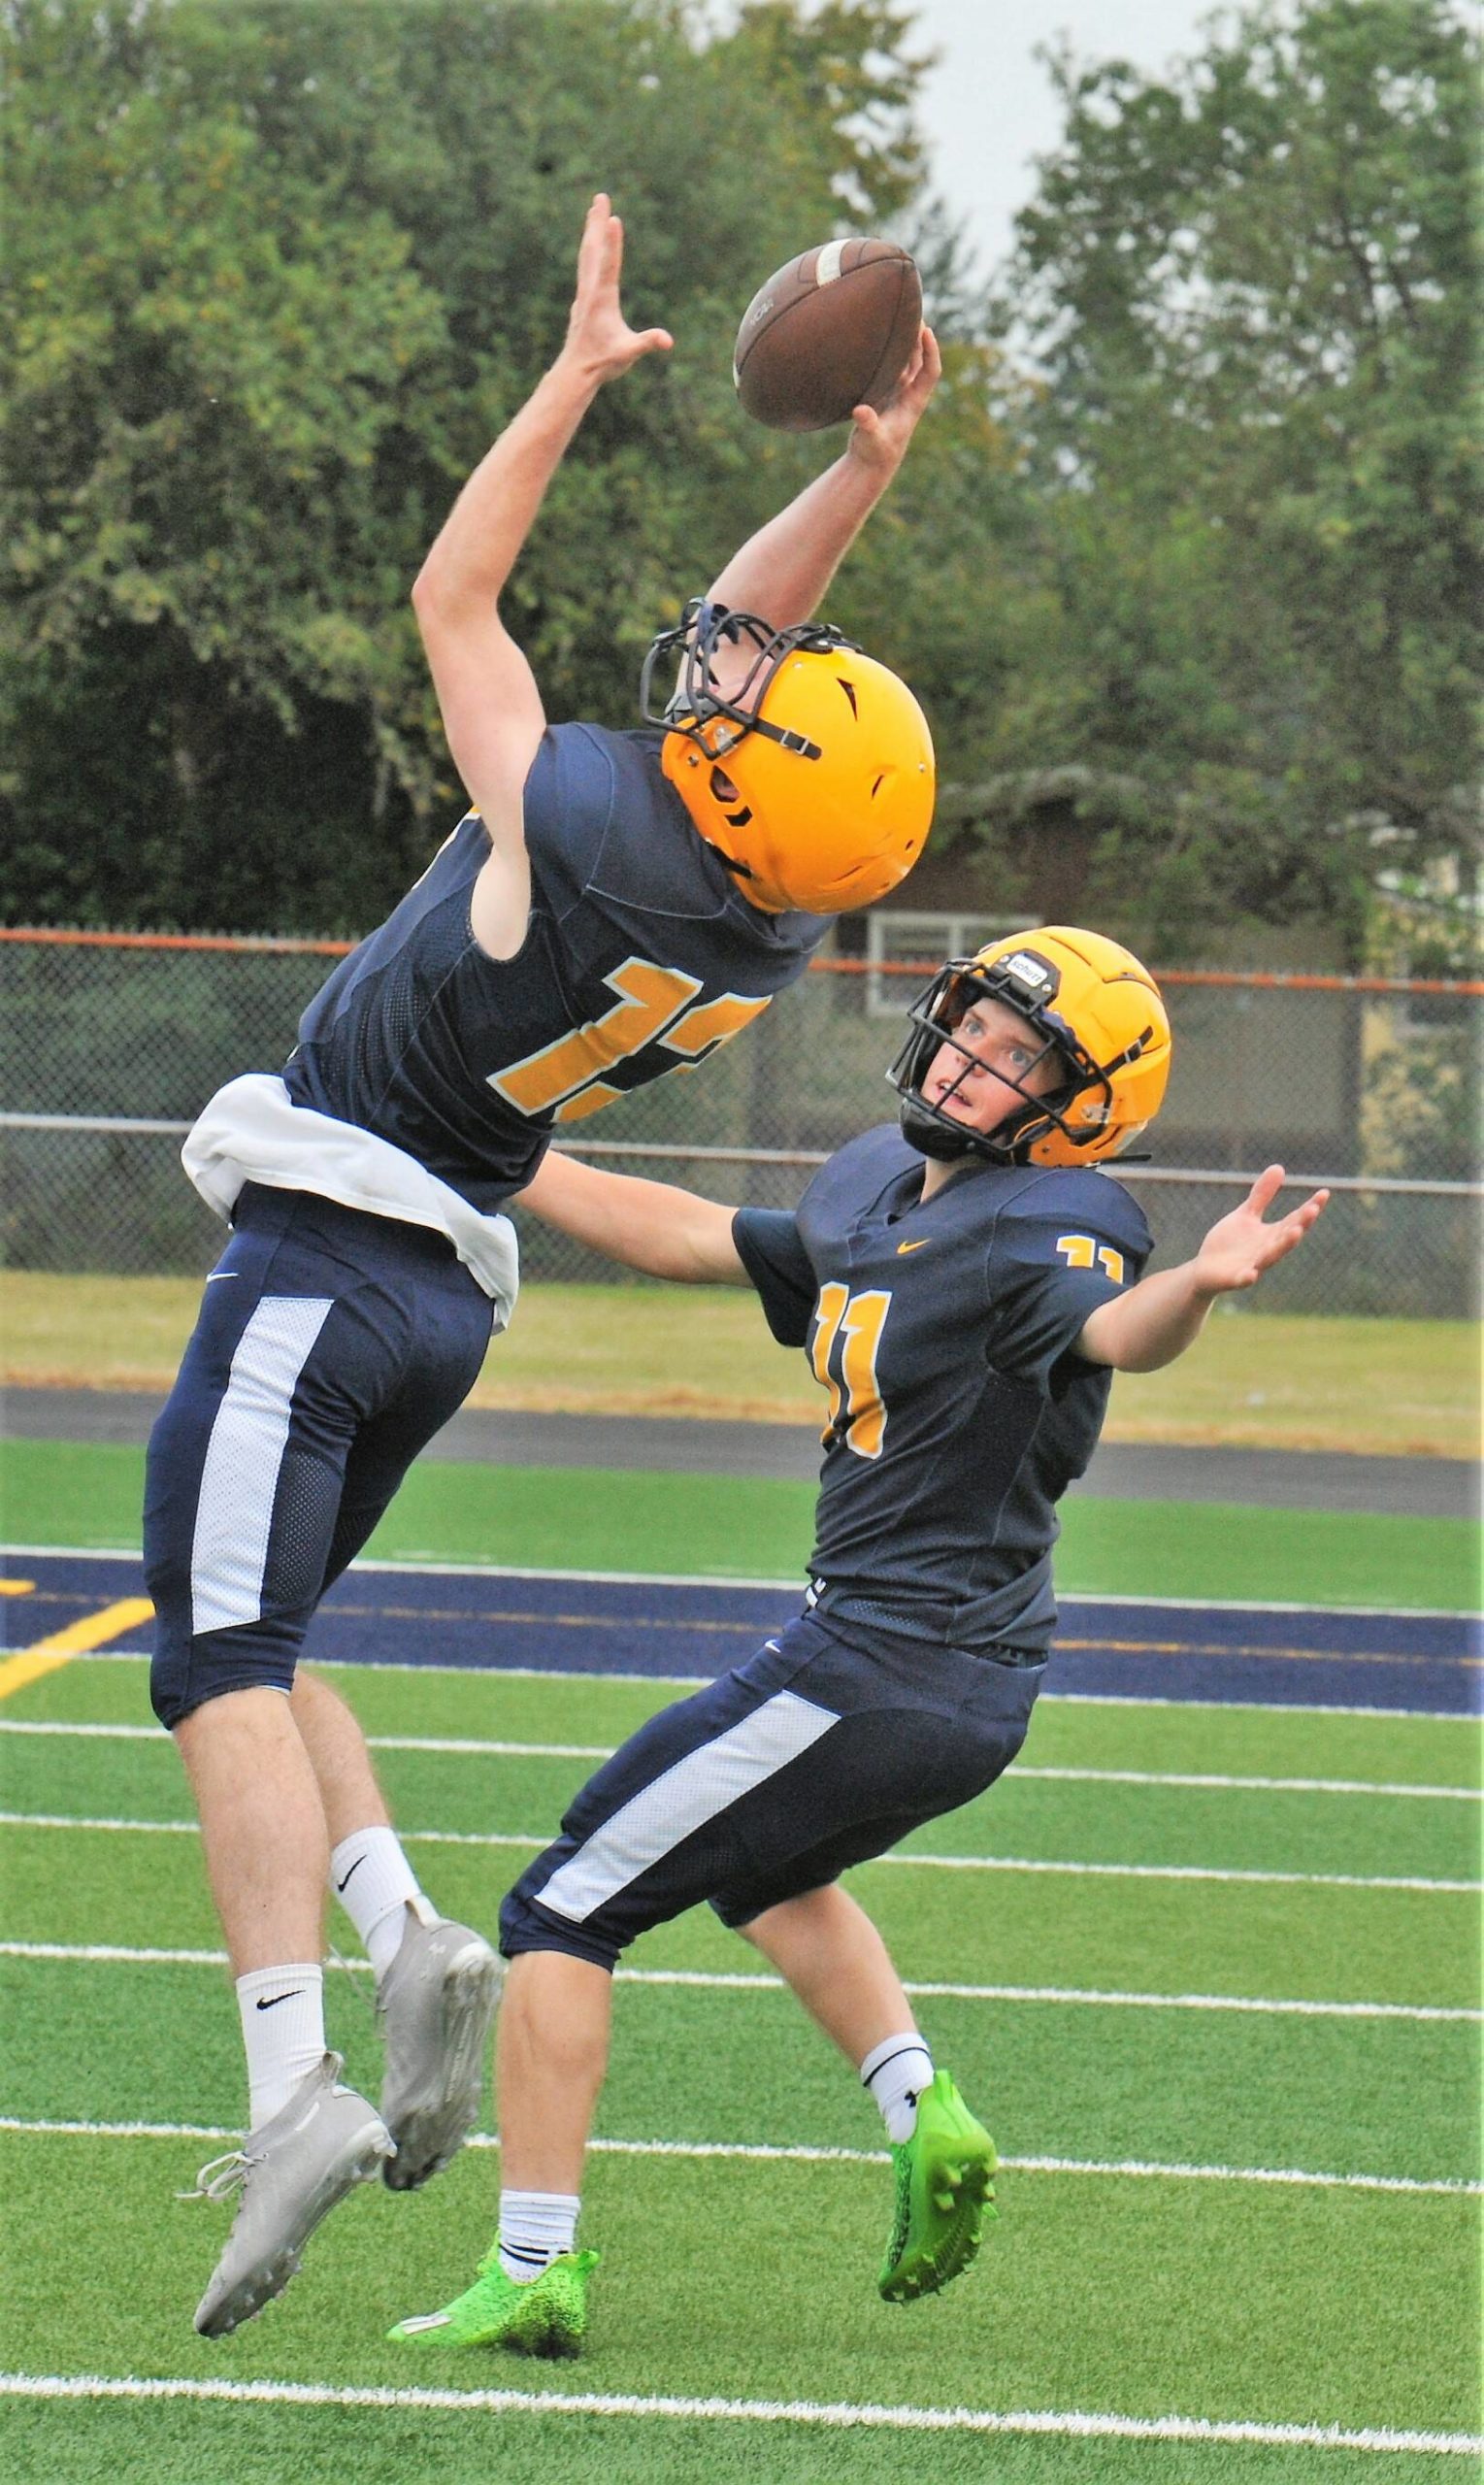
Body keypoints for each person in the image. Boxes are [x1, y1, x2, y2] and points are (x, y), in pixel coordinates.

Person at [145, 191, 940, 2338]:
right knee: (279, 1627)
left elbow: (451, 590)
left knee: (212, 1655)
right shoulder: (754, 916)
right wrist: (857, 471)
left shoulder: (577, 830)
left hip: (333, 1246)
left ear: (737, 781)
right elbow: (735, 662)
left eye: (773, 706)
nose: (747, 681)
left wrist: (573, 380)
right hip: (439, 1291)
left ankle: (292, 2073)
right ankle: (406, 1929)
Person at [386, 926, 1329, 2357]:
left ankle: (533, 2266)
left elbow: (1111, 1330)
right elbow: (696, 1237)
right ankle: (920, 2109)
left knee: (561, 1911)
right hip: (948, 1675)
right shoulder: (879, 1185)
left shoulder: (1051, 1224)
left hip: (884, 1662)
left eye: (1023, 1057)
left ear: (1079, 1109)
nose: (971, 1059)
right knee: (769, 1877)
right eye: (972, 1025)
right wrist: (485, 1144)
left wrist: (1196, 1288)